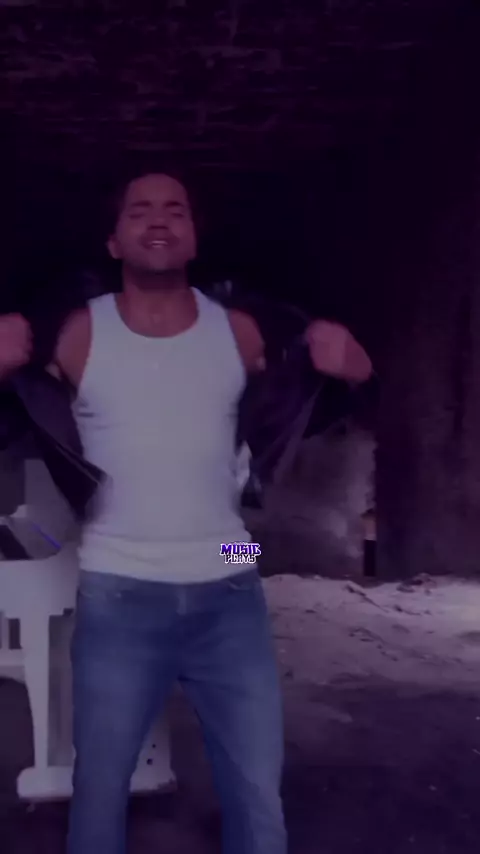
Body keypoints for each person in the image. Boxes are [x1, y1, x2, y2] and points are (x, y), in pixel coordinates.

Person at [0, 171, 372, 854]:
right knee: (98, 797)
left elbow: (322, 395)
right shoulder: (77, 333)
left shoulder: (242, 332)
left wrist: (356, 372)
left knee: (258, 802)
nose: (159, 220)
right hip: (117, 594)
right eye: (140, 210)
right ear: (114, 241)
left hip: (230, 594)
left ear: (194, 235)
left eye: (175, 209)